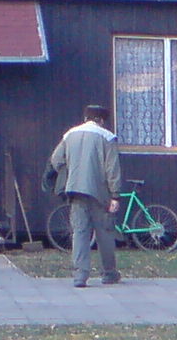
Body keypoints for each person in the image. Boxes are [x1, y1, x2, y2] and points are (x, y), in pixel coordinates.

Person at [45, 104, 122, 288]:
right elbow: (112, 168)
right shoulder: (107, 137)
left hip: (75, 191)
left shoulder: (70, 135)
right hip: (100, 193)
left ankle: (80, 276)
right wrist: (115, 195)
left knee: (80, 233)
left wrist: (69, 173)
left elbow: (56, 160)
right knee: (105, 233)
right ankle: (109, 273)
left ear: (86, 117)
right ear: (101, 120)